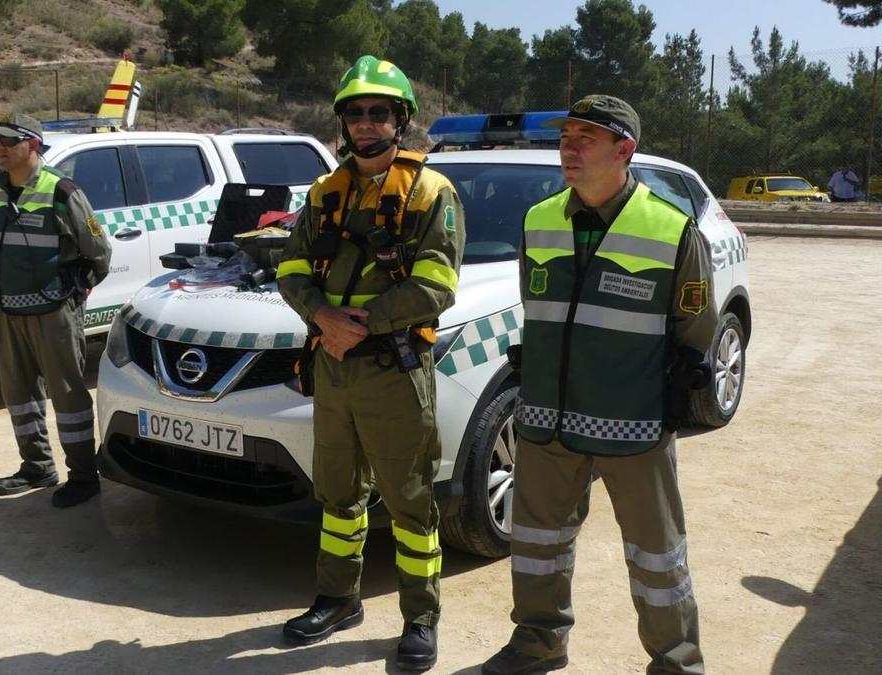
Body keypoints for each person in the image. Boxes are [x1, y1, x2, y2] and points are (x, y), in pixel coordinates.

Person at [479, 95, 716, 675]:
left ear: (624, 150)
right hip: (545, 422)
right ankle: (538, 643)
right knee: (537, 545)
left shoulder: (672, 230)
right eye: (567, 135)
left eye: (588, 136)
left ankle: (678, 662)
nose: (570, 146)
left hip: (633, 424)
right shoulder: (539, 221)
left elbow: (696, 333)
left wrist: (670, 402)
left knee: (657, 555)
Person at [276, 55, 465, 672]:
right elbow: (292, 268)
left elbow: (436, 285)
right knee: (335, 489)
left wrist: (358, 326)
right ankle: (338, 597)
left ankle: (420, 616)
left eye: (378, 112)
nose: (364, 123)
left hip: (392, 368)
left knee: (410, 498)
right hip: (333, 366)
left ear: (400, 120)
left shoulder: (432, 193)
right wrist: (321, 318)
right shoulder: (323, 193)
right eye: (354, 113)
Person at [0, 113, 111, 508]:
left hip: (52, 313)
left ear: (33, 145)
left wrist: (74, 291)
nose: (0, 148)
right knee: (18, 396)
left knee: (68, 396)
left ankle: (84, 475)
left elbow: (99, 253)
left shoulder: (62, 190)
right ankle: (36, 466)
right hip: (5, 313)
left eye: (9, 141)